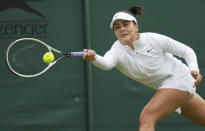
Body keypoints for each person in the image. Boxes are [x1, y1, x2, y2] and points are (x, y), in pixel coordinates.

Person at [82, 5, 205, 131]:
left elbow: (186, 51)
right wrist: (94, 58)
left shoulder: (153, 39)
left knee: (147, 117)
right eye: (117, 27)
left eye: (125, 24)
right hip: (169, 87)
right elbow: (106, 63)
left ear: (136, 27)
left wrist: (193, 69)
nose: (122, 29)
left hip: (180, 79)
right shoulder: (117, 50)